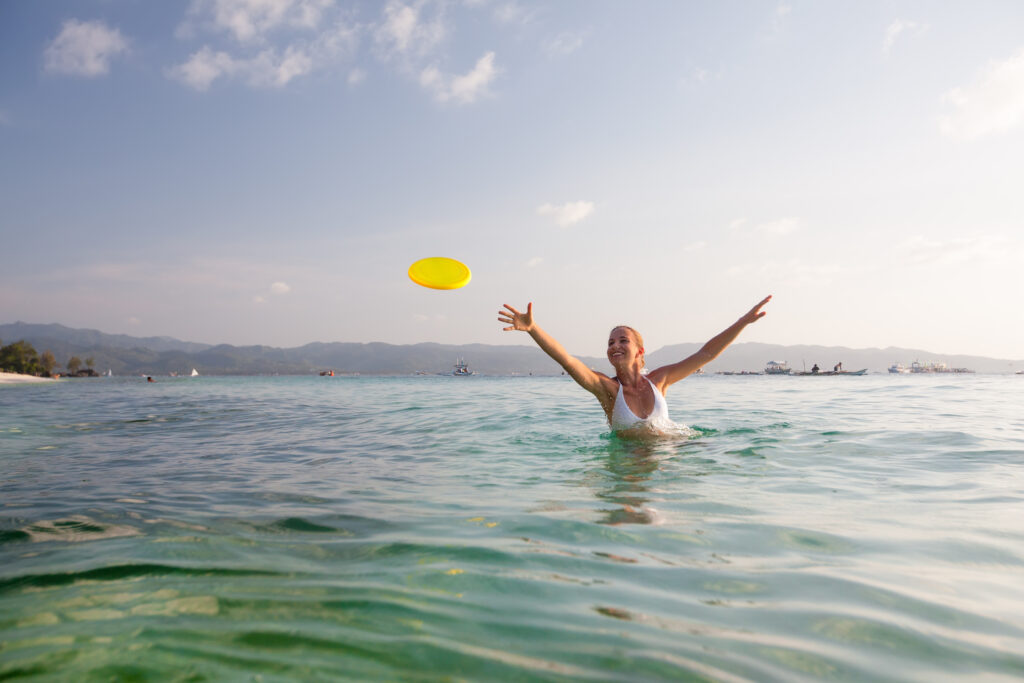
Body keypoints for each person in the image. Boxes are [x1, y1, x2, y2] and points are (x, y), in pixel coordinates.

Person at [498, 295, 771, 435]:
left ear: (640, 351)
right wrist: (533, 329)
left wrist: (742, 323)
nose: (614, 345)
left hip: (673, 455)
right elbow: (567, 361)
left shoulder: (660, 381)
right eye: (610, 342)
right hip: (628, 466)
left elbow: (706, 354)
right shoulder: (607, 390)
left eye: (622, 340)